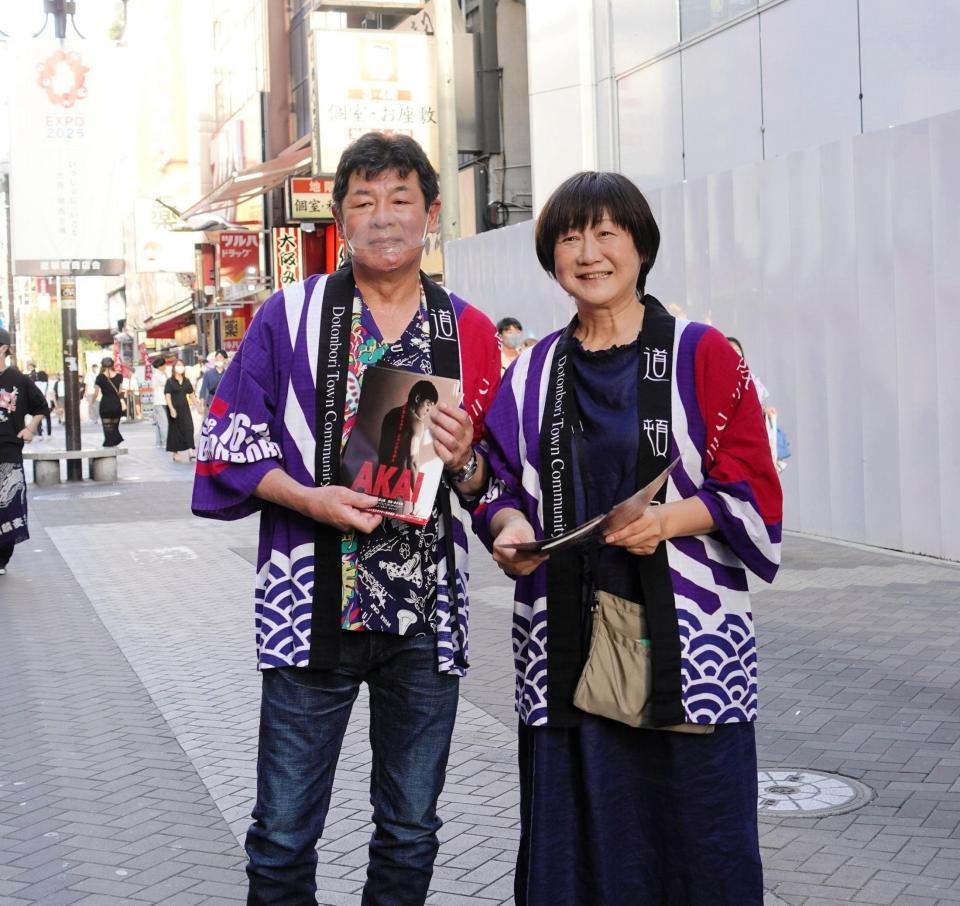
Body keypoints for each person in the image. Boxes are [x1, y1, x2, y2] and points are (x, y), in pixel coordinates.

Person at [192, 131, 501, 905]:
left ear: (432, 214)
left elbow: (494, 484)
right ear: (339, 216)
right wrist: (310, 498)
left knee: (409, 831)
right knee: (283, 834)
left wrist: (465, 460)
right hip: (311, 607)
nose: (383, 217)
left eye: (401, 199)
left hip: (427, 617)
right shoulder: (285, 318)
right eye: (363, 200)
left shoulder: (469, 330)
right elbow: (225, 443)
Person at [474, 171, 783, 905]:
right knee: (576, 831)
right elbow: (493, 481)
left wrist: (667, 521)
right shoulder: (533, 371)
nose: (589, 252)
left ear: (641, 246)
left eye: (607, 232)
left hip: (683, 640)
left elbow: (752, 483)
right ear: (552, 257)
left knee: (697, 830)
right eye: (570, 237)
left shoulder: (704, 354)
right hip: (564, 639)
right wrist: (507, 525)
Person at [0, 329, 48, 577]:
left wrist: (30, 428)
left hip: (8, 449)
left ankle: (2, 556)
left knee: (8, 504)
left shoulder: (18, 379)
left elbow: (41, 406)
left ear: (3, 348)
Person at [164, 359, 197, 462]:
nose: (180, 367)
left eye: (182, 365)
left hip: (185, 409)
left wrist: (198, 404)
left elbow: (191, 395)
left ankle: (190, 451)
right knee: (175, 430)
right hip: (174, 409)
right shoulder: (170, 381)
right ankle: (175, 452)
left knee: (189, 427)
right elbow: (167, 396)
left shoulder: (186, 381)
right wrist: (171, 408)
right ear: (174, 368)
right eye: (178, 365)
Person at [93, 358, 124, 447]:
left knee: (107, 427)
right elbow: (120, 391)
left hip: (105, 403)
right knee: (114, 426)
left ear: (102, 365)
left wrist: (92, 402)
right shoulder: (119, 376)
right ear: (112, 365)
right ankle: (114, 442)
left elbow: (96, 393)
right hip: (116, 403)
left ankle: (108, 443)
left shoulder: (99, 377)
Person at [197, 348, 228, 418]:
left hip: (225, 404)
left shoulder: (228, 374)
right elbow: (203, 391)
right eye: (217, 358)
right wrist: (201, 405)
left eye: (221, 358)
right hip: (211, 403)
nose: (219, 360)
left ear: (225, 360)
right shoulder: (208, 374)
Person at [152, 357, 170, 448]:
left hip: (160, 401)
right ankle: (165, 442)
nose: (165, 366)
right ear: (160, 366)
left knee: (159, 422)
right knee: (164, 422)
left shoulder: (158, 374)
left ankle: (159, 442)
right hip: (160, 401)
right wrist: (165, 375)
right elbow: (166, 383)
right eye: (164, 364)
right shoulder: (158, 375)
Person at [34, 371, 52, 439]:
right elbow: (50, 394)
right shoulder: (47, 384)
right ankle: (49, 434)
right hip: (46, 403)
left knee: (38, 419)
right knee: (48, 419)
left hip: (37, 404)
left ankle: (40, 434)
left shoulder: (35, 384)